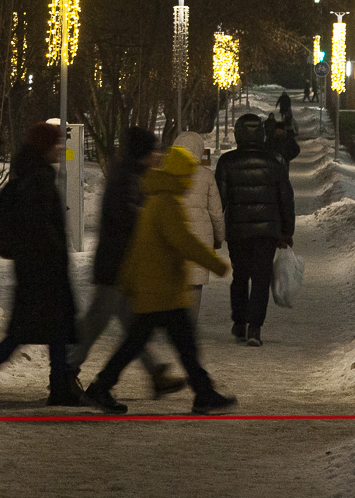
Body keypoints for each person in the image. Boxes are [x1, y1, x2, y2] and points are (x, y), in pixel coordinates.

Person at [84, 146, 237, 415]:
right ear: (180, 176)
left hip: (157, 289)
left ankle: (202, 392)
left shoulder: (155, 199)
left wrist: (130, 279)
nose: (190, 181)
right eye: (188, 176)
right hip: (162, 291)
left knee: (156, 343)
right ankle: (202, 394)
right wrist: (217, 264)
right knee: (170, 345)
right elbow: (185, 243)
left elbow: (138, 247)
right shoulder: (167, 204)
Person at [0, 122, 81, 407]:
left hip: (35, 269)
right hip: (42, 271)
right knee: (35, 332)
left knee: (48, 331)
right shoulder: (38, 180)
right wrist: (53, 257)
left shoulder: (32, 175)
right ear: (44, 147)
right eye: (56, 144)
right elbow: (39, 228)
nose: (60, 149)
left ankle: (59, 386)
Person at [69, 127, 185, 397]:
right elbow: (133, 221)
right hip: (116, 266)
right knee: (96, 323)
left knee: (135, 325)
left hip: (122, 265)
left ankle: (156, 372)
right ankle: (66, 369)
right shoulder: (127, 180)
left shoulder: (131, 176)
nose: (158, 155)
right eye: (154, 150)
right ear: (143, 153)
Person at [214, 112, 294, 347]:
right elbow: (285, 200)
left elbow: (220, 200)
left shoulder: (227, 162)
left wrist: (217, 230)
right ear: (262, 134)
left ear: (238, 134)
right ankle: (254, 328)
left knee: (240, 276)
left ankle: (239, 322)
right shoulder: (275, 162)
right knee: (261, 278)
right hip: (267, 232)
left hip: (237, 231)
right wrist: (287, 231)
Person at [174, 131, 226, 319]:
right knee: (194, 286)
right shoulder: (206, 176)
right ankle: (189, 327)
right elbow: (216, 213)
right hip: (198, 240)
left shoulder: (165, 173)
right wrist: (219, 238)